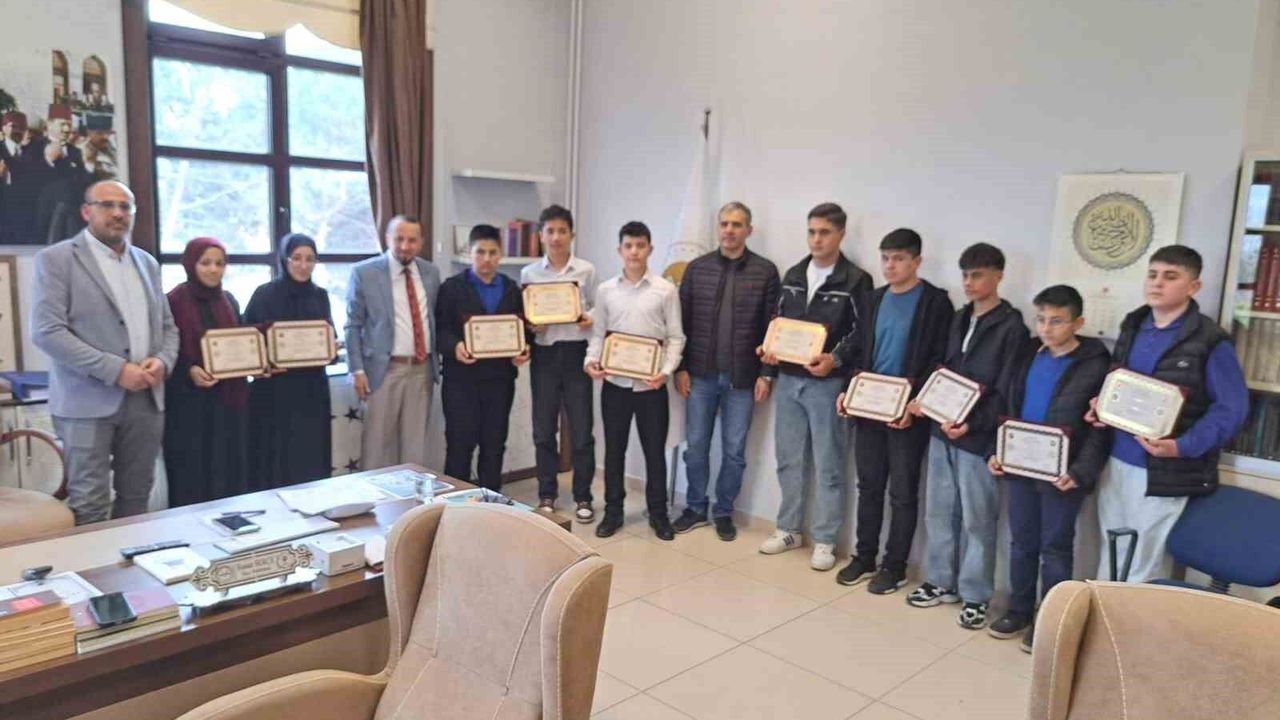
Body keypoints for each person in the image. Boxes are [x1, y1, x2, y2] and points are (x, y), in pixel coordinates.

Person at [1085, 246, 1248, 582]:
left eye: (1170, 277)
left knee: (1143, 563)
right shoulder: (1134, 325)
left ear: (1194, 286)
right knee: (1112, 552)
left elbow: (1231, 409)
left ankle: (1132, 620)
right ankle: (1104, 616)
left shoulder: (1210, 340)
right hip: (1116, 459)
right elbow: (1121, 385)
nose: (1157, 283)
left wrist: (1181, 446)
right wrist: (1102, 408)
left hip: (1164, 470)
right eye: (1153, 274)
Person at [31, 180, 178, 524]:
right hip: (86, 402)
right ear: (86, 211)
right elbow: (47, 332)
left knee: (137, 497)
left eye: (125, 207)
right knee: (90, 503)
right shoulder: (56, 260)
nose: (118, 213)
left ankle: (130, 560)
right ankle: (94, 563)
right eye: (107, 205)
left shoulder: (147, 263)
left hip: (145, 401)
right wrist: (116, 370)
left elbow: (168, 328)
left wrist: (163, 361)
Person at [905, 242, 1028, 630]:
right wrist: (926, 402)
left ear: (998, 276)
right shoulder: (959, 318)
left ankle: (976, 595)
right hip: (941, 430)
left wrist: (973, 424)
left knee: (978, 520)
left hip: (977, 438)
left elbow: (1006, 391)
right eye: (965, 275)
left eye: (978, 275)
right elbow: (943, 372)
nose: (969, 283)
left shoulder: (1012, 328)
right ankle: (940, 581)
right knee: (940, 511)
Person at [985, 285, 1111, 652]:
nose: (1046, 328)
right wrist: (998, 451)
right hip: (1021, 465)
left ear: (1078, 323)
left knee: (1055, 548)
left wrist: (1082, 471)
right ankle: (1019, 610)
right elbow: (1006, 407)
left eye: (1057, 321)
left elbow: (1100, 429)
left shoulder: (1095, 364)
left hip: (1063, 473)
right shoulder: (1027, 352)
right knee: (1021, 542)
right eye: (1041, 319)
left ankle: (1050, 622)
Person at [835, 228, 952, 593]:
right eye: (885, 258)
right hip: (869, 407)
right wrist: (847, 391)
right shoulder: (873, 299)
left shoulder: (935, 303)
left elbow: (940, 360)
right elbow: (859, 348)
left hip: (907, 413)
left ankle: (895, 565)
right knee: (869, 485)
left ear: (917, 261)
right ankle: (864, 556)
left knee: (902, 492)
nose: (890, 265)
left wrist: (917, 405)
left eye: (899, 259)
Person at [757, 203, 872, 570]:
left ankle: (825, 539)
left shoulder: (856, 280)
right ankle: (789, 529)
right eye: (812, 231)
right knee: (788, 459)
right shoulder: (793, 274)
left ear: (841, 234)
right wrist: (769, 362)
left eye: (824, 232)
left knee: (829, 464)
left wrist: (834, 360)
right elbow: (778, 324)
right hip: (790, 381)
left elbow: (862, 333)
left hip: (827, 384)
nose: (817, 239)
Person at [671, 202, 780, 541]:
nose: (729, 230)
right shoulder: (697, 269)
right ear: (717, 228)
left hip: (742, 379)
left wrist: (766, 373)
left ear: (749, 230)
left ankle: (723, 512)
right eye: (724, 224)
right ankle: (695, 507)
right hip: (699, 375)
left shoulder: (765, 271)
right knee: (696, 448)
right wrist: (681, 368)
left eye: (737, 224)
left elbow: (772, 327)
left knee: (734, 452)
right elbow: (681, 323)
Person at [586, 221, 685, 540]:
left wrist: (665, 371)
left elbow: (676, 337)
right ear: (620, 250)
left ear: (650, 249)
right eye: (628, 246)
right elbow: (598, 334)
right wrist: (591, 361)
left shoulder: (665, 290)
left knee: (654, 452)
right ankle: (613, 512)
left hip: (651, 386)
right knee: (613, 451)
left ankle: (659, 514)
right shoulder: (606, 290)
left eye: (640, 246)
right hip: (614, 384)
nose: (634, 252)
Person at [436, 224, 529, 490]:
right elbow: (440, 330)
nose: (486, 259)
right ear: (470, 253)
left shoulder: (512, 290)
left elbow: (522, 331)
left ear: (500, 254)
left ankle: (491, 503)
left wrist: (523, 350)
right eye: (480, 252)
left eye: (492, 252)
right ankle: (455, 505)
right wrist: (455, 346)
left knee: (494, 445)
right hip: (460, 380)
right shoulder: (451, 288)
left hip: (500, 381)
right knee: (459, 445)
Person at [520, 205, 598, 520]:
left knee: (581, 431)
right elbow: (525, 317)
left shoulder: (586, 271)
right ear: (541, 235)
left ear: (571, 235)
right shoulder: (529, 273)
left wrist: (588, 317)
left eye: (562, 231)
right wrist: (531, 325)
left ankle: (583, 497)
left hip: (577, 353)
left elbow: (599, 309)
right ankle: (547, 494)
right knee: (543, 430)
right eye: (550, 231)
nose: (556, 237)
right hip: (545, 356)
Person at [346, 215, 441, 470]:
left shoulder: (431, 273)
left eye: (412, 240)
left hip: (421, 370)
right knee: (376, 447)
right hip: (382, 371)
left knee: (414, 449)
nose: (405, 246)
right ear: (387, 238)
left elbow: (434, 317)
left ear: (421, 242)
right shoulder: (364, 273)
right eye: (399, 239)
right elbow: (353, 325)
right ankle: (372, 496)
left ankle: (411, 496)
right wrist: (357, 369)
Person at [163, 237, 250, 506]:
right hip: (189, 404)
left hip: (227, 400)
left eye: (220, 264)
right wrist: (188, 370)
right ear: (191, 264)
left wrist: (258, 361)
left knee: (227, 466)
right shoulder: (173, 300)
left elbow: (242, 342)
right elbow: (164, 347)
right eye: (206, 263)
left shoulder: (229, 300)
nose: (214, 269)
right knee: (192, 471)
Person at [244, 233, 334, 488]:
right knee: (273, 454)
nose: (303, 265)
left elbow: (329, 335)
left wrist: (330, 347)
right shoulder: (264, 294)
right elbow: (248, 339)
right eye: (296, 258)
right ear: (285, 259)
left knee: (309, 454)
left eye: (310, 259)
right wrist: (261, 363)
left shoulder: (320, 295)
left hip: (311, 391)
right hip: (274, 391)